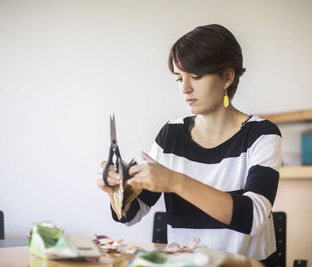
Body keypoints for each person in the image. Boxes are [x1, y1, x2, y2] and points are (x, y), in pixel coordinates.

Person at [96, 24, 282, 266]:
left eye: (196, 76)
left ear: (227, 77)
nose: (185, 89)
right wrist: (116, 191)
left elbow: (254, 217)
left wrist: (174, 181)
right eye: (179, 78)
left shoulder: (261, 134)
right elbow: (131, 214)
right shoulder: (171, 134)